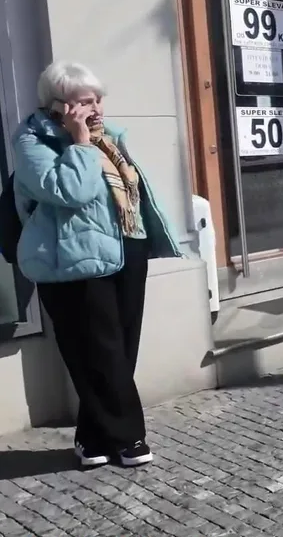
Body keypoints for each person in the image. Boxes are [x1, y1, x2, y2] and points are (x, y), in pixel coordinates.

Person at [13, 61, 183, 468]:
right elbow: (71, 191)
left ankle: (92, 439)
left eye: (99, 99)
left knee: (120, 351)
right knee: (98, 352)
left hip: (126, 250)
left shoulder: (109, 137)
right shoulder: (33, 141)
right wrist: (79, 142)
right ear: (59, 105)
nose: (97, 108)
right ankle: (128, 439)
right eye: (86, 102)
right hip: (74, 259)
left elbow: (132, 191)